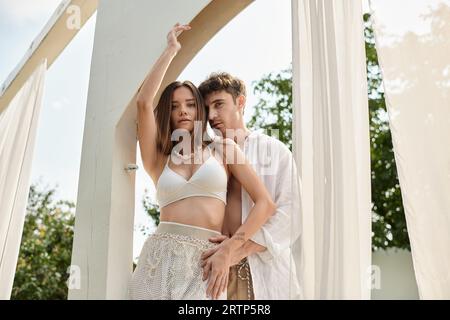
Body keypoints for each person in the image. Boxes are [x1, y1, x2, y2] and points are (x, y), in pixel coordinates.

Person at [128, 23, 276, 300]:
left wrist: (233, 245)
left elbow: (265, 204)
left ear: (200, 111)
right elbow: (143, 103)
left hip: (205, 261)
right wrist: (171, 50)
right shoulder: (159, 159)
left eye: (190, 104)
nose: (182, 111)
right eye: (174, 106)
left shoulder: (224, 150)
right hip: (156, 259)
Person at [199, 72, 303, 300]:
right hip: (213, 275)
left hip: (265, 274)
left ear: (240, 102)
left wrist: (236, 250)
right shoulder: (203, 157)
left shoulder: (273, 151)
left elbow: (291, 214)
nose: (212, 115)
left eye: (219, 104)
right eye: (207, 109)